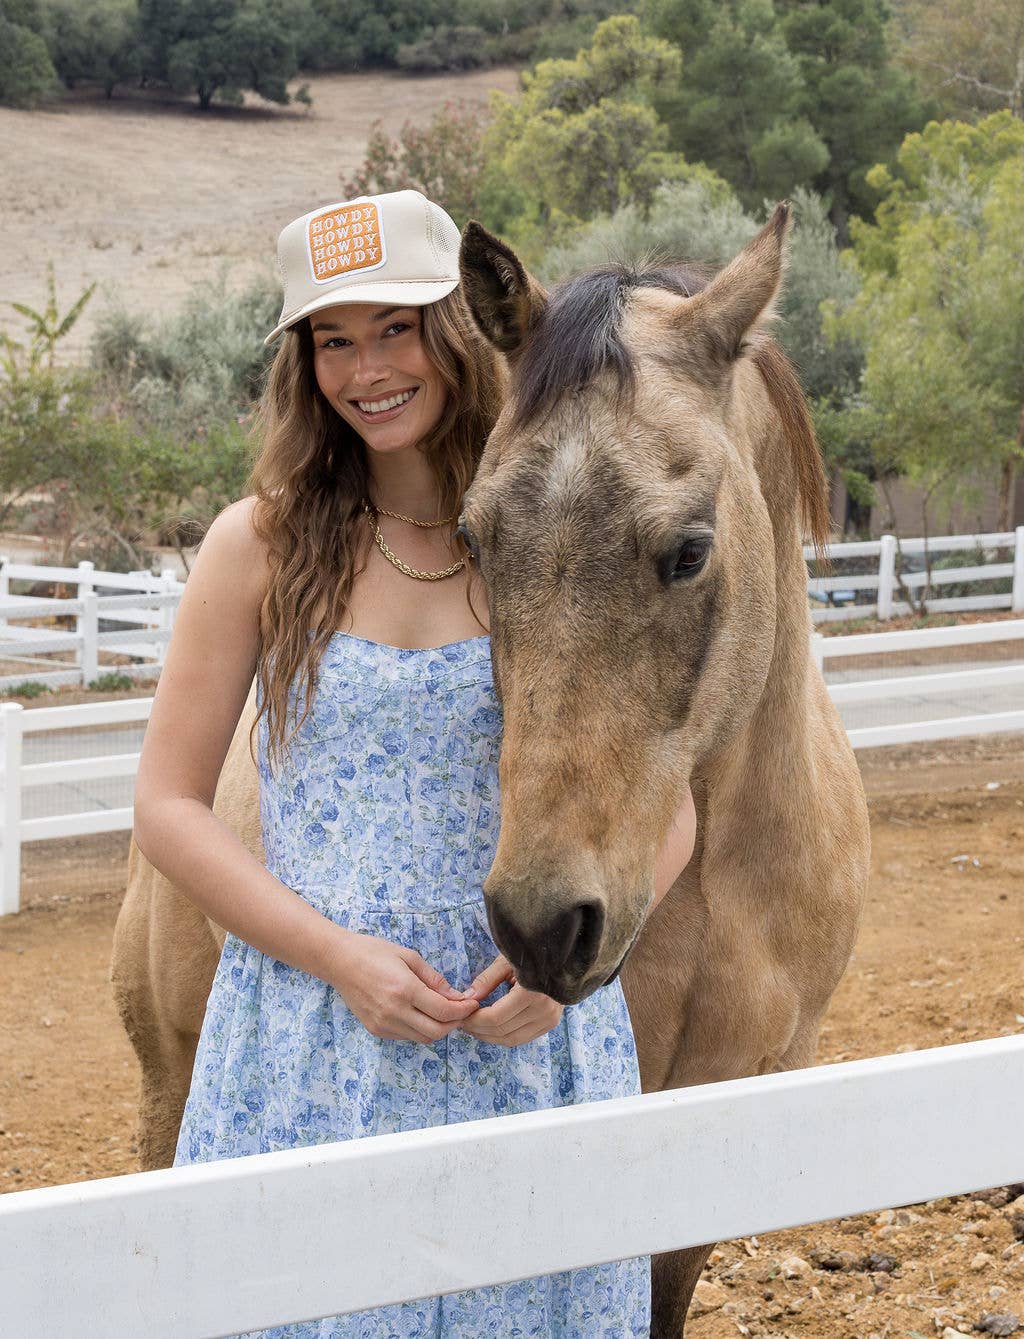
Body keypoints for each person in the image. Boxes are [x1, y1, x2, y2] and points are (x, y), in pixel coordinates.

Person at [133, 189, 697, 1337]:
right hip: (312, 1042)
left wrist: (557, 981)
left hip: (528, 1034)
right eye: (331, 340)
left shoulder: (555, 528)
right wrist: (339, 959)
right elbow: (166, 804)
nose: (365, 368)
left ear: (459, 330)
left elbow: (666, 801)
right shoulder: (262, 544)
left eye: (394, 327)